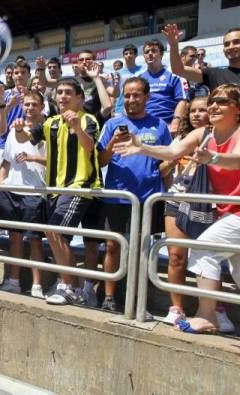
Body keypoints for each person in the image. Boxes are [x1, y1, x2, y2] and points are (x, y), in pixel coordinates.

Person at [113, 84, 240, 333]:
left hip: (237, 214)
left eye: (222, 102)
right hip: (229, 213)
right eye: (212, 101)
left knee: (203, 252)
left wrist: (213, 158)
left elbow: (237, 160)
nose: (214, 106)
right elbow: (172, 151)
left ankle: (207, 317)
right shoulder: (204, 133)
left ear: (237, 109)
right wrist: (142, 148)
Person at [159, 96, 235, 330]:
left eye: (203, 109)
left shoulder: (226, 136)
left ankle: (215, 310)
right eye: (193, 110)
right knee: (178, 256)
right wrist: (175, 160)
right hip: (181, 199)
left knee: (211, 254)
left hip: (212, 205)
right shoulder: (184, 139)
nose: (197, 114)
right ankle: (179, 308)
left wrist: (210, 157)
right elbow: (162, 166)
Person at [97, 77, 172, 311]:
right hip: (117, 197)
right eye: (127, 95)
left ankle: (138, 299)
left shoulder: (160, 125)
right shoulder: (112, 125)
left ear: (147, 97)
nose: (131, 99)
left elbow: (167, 157)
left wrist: (163, 174)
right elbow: (99, 161)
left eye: (136, 95)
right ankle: (109, 298)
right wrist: (111, 145)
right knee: (112, 246)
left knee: (142, 250)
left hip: (148, 199)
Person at [25, 78, 102, 306]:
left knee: (55, 232)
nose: (63, 96)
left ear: (80, 97)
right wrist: (20, 128)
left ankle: (70, 286)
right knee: (55, 234)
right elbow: (27, 138)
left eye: (68, 92)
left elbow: (90, 147)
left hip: (80, 186)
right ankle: (70, 284)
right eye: (59, 92)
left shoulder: (88, 119)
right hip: (54, 189)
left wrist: (77, 127)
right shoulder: (51, 123)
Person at [0, 92, 48, 297]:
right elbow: (7, 161)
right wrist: (1, 185)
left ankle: (37, 285)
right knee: (15, 238)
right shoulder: (12, 130)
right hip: (12, 191)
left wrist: (31, 156)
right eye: (26, 104)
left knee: (35, 240)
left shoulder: (46, 129)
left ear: (42, 106)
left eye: (34, 104)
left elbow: (51, 159)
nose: (29, 108)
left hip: (35, 192)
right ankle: (14, 281)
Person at [164, 24, 240, 91]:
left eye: (236, 42)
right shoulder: (214, 74)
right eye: (226, 44)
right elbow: (178, 70)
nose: (231, 47)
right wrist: (173, 45)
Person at [138, 39, 187, 132]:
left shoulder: (174, 76)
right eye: (147, 52)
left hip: (167, 124)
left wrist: (176, 122)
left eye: (154, 51)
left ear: (161, 54)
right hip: (143, 124)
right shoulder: (139, 78)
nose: (150, 54)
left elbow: (182, 101)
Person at [112, 44, 144, 117]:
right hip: (120, 109)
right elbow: (115, 93)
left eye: (131, 53)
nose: (128, 55)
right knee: (122, 129)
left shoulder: (143, 70)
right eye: (126, 54)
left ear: (136, 55)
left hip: (138, 107)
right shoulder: (118, 73)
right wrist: (113, 109)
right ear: (123, 56)